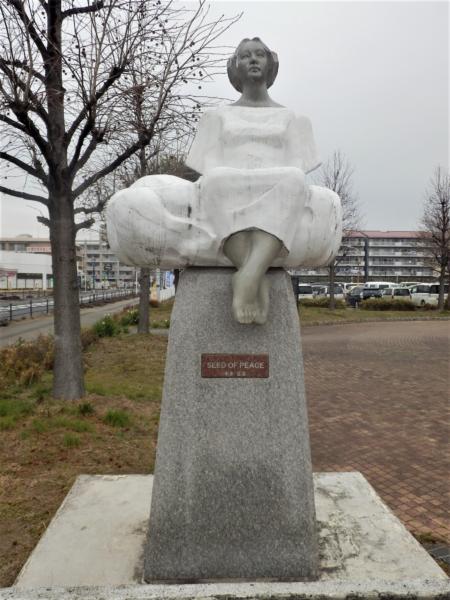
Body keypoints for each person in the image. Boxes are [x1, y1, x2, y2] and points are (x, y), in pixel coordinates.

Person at [106, 37, 342, 324]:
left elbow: (297, 168)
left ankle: (248, 276)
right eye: (245, 56)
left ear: (271, 64)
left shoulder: (294, 119)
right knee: (215, 180)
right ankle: (253, 274)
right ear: (235, 66)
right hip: (227, 185)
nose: (253, 59)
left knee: (294, 179)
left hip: (280, 185)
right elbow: (210, 168)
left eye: (259, 54)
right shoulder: (215, 117)